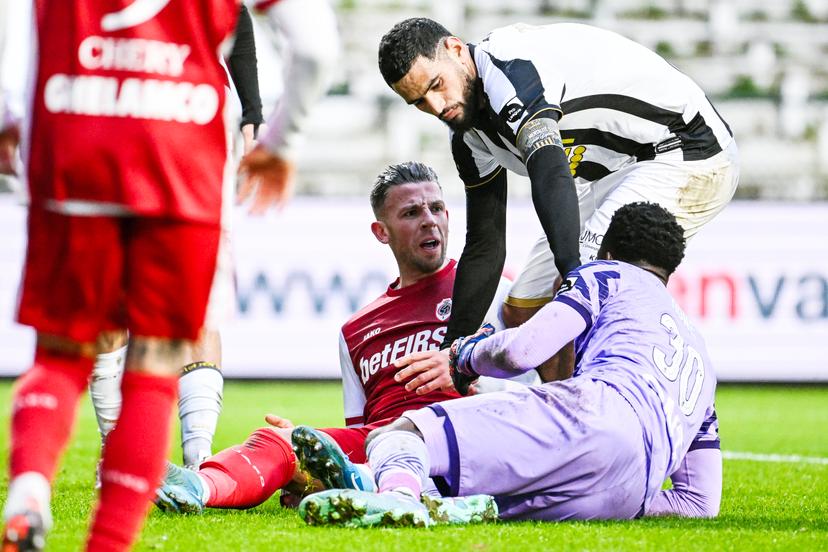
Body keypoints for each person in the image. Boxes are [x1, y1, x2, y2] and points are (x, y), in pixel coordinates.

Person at [0, 1, 337, 551]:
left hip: (75, 126)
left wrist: (7, 115)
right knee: (156, 365)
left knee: (61, 354)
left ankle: (30, 488)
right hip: (180, 150)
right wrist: (281, 140)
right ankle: (114, 536)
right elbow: (315, 45)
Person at [296, 202, 721, 527]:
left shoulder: (605, 274)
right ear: (669, 271)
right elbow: (700, 502)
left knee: (402, 432)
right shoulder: (701, 358)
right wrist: (632, 497)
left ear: (607, 250)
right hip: (627, 491)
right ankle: (371, 482)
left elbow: (524, 351)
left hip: (595, 415)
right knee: (479, 492)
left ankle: (396, 498)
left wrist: (462, 355)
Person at [377, 18, 739, 383]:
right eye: (419, 101)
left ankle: (614, 405)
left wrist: (573, 274)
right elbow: (486, 243)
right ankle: (564, 410)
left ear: (456, 50)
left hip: (686, 148)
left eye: (436, 85)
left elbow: (550, 172)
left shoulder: (507, 68)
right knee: (523, 309)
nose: (437, 106)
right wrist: (452, 351)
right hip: (618, 169)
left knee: (577, 290)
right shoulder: (469, 136)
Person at [153, 161, 526, 515]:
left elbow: (535, 395)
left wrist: (484, 388)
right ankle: (199, 486)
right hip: (382, 444)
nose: (429, 220)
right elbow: (357, 432)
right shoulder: (356, 329)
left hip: (459, 436)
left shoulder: (492, 291)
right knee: (282, 441)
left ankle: (388, 489)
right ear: (382, 232)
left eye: (437, 208)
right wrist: (314, 461)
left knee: (391, 453)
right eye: (412, 213)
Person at [88, 0, 338, 472]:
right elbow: (295, 38)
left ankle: (145, 454)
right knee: (180, 286)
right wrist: (254, 115)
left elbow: (235, 15)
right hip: (179, 108)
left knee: (133, 286)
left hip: (125, 106)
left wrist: (251, 110)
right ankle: (178, 456)